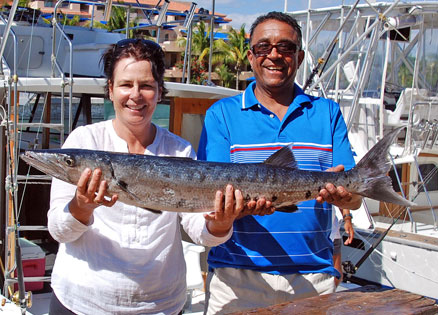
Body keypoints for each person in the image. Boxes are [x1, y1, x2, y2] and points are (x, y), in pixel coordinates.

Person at [47, 38, 245, 314]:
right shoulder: (84, 141)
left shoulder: (179, 150)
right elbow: (59, 230)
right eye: (126, 84)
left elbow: (200, 230)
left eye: (147, 86)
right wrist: (81, 207)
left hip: (159, 305)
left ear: (160, 92)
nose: (136, 95)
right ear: (111, 91)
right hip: (81, 303)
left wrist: (220, 224)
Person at [197, 11, 363, 314]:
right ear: (251, 56)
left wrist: (347, 197)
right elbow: (216, 194)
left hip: (312, 278)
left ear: (298, 57)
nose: (274, 55)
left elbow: (353, 199)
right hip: (236, 277)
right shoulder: (221, 114)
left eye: (285, 47)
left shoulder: (328, 112)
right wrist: (238, 208)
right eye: (264, 47)